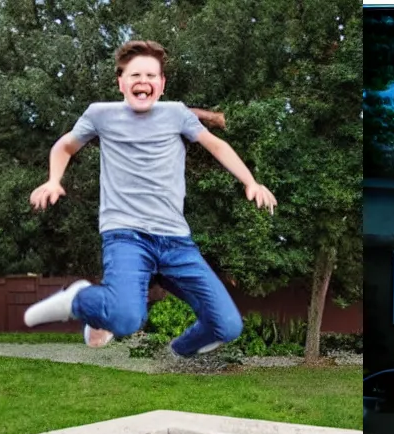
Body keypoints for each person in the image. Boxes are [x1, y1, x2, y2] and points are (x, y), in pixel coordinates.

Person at [22, 39, 277, 357]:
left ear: (162, 84)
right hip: (127, 237)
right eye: (134, 76)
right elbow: (65, 146)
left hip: (176, 242)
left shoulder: (177, 114)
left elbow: (216, 145)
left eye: (151, 76)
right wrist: (53, 180)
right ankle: (81, 299)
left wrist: (250, 181)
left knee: (227, 326)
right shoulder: (100, 114)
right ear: (121, 82)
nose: (143, 82)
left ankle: (180, 349)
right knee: (127, 319)